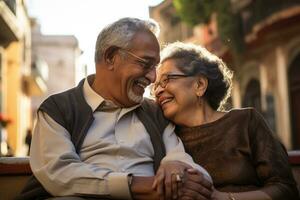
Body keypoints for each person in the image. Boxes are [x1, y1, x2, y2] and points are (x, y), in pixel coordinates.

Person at [17, 18, 212, 200]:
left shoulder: (155, 113)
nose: (153, 78)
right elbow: (60, 174)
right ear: (111, 57)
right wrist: (139, 185)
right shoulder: (58, 109)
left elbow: (186, 166)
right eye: (145, 63)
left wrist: (176, 167)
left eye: (155, 67)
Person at [153, 42, 299, 200]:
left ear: (200, 85)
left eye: (167, 79)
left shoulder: (245, 122)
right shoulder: (167, 140)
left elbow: (285, 189)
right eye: (155, 85)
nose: (158, 90)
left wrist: (222, 198)